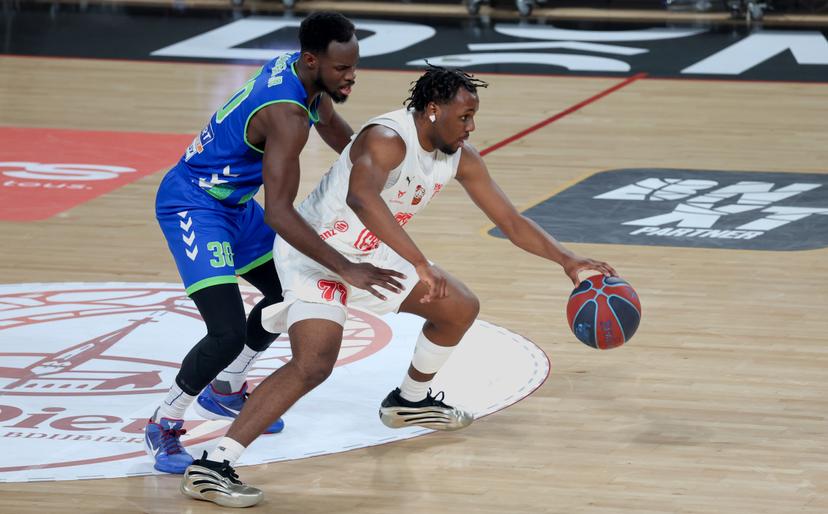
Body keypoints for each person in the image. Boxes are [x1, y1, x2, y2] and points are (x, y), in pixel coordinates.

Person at [178, 64, 618, 508]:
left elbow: (510, 220)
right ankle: (212, 466)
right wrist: (419, 262)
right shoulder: (386, 138)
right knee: (313, 363)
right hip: (318, 254)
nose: (471, 127)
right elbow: (361, 198)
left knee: (458, 307)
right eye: (464, 116)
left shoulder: (461, 157)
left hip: (372, 255)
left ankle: (409, 401)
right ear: (433, 110)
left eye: (473, 117)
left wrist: (567, 260)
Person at [146, 11, 402, 475]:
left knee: (287, 292)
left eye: (354, 65)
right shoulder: (286, 117)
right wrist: (346, 267)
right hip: (194, 205)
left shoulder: (301, 74)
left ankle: (226, 389)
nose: (352, 76)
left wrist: (373, 168)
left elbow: (332, 124)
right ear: (312, 60)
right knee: (225, 332)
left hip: (235, 205)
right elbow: (281, 213)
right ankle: (165, 421)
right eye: (343, 68)